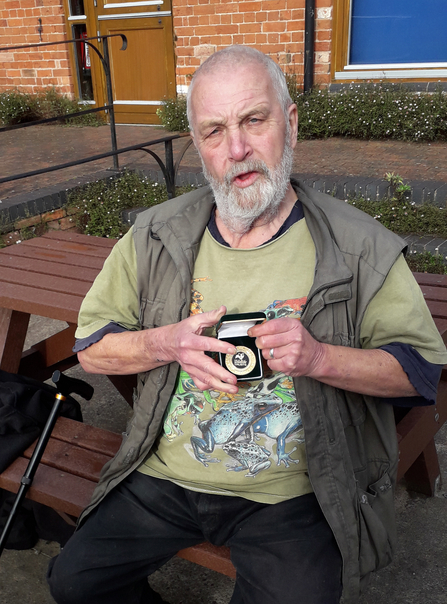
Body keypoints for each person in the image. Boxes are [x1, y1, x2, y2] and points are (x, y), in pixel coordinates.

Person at [47, 45, 447, 604]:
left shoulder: (360, 247)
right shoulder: (154, 235)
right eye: (214, 131)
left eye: (253, 120)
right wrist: (166, 343)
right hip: (164, 475)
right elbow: (92, 349)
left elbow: (420, 372)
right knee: (73, 582)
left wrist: (317, 359)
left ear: (289, 124)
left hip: (291, 494)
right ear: (201, 149)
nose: (237, 149)